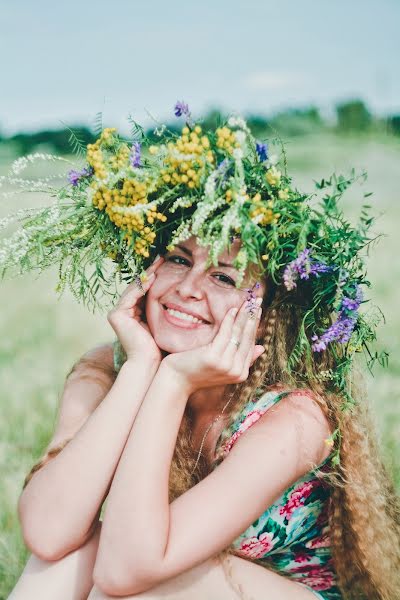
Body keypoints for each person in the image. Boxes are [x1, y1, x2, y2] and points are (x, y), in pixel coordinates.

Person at [3, 106, 400, 600]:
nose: (188, 288)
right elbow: (48, 532)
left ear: (268, 310)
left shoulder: (296, 419)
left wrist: (172, 383)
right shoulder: (107, 369)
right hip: (166, 580)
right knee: (66, 561)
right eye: (177, 258)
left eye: (223, 276)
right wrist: (142, 370)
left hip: (280, 592)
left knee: (128, 584)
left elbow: (127, 573)